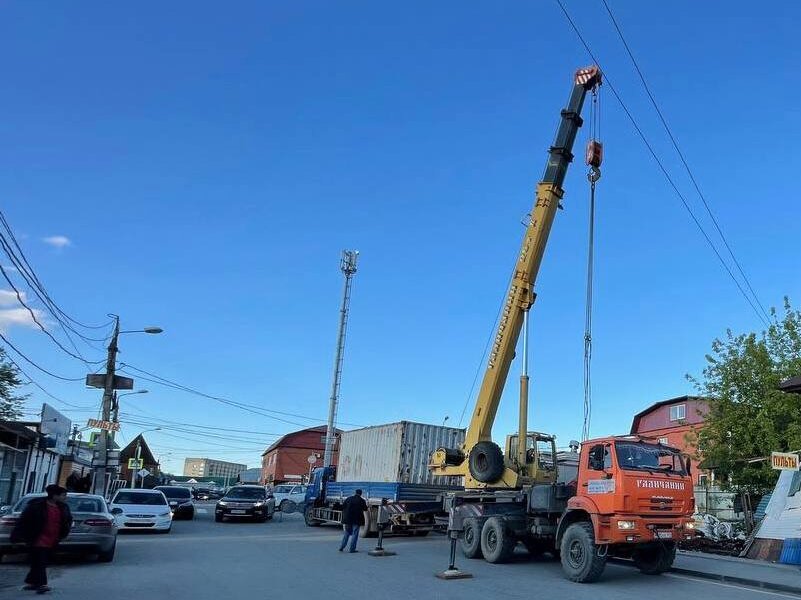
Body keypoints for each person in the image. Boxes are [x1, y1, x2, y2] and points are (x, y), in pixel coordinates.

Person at [10, 484, 72, 594]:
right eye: (63, 495)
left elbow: (67, 520)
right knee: (41, 560)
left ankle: (31, 582)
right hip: (38, 537)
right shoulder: (37, 506)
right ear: (54, 496)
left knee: (39, 561)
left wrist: (64, 532)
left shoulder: (62, 507)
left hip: (53, 538)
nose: (65, 497)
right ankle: (42, 584)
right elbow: (24, 520)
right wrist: (17, 536)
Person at [338, 489, 368, 553]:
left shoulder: (349, 498)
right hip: (357, 520)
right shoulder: (362, 500)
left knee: (347, 533)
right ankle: (352, 549)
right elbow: (365, 509)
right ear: (361, 494)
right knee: (355, 534)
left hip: (348, 519)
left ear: (355, 493)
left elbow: (343, 507)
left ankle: (342, 547)